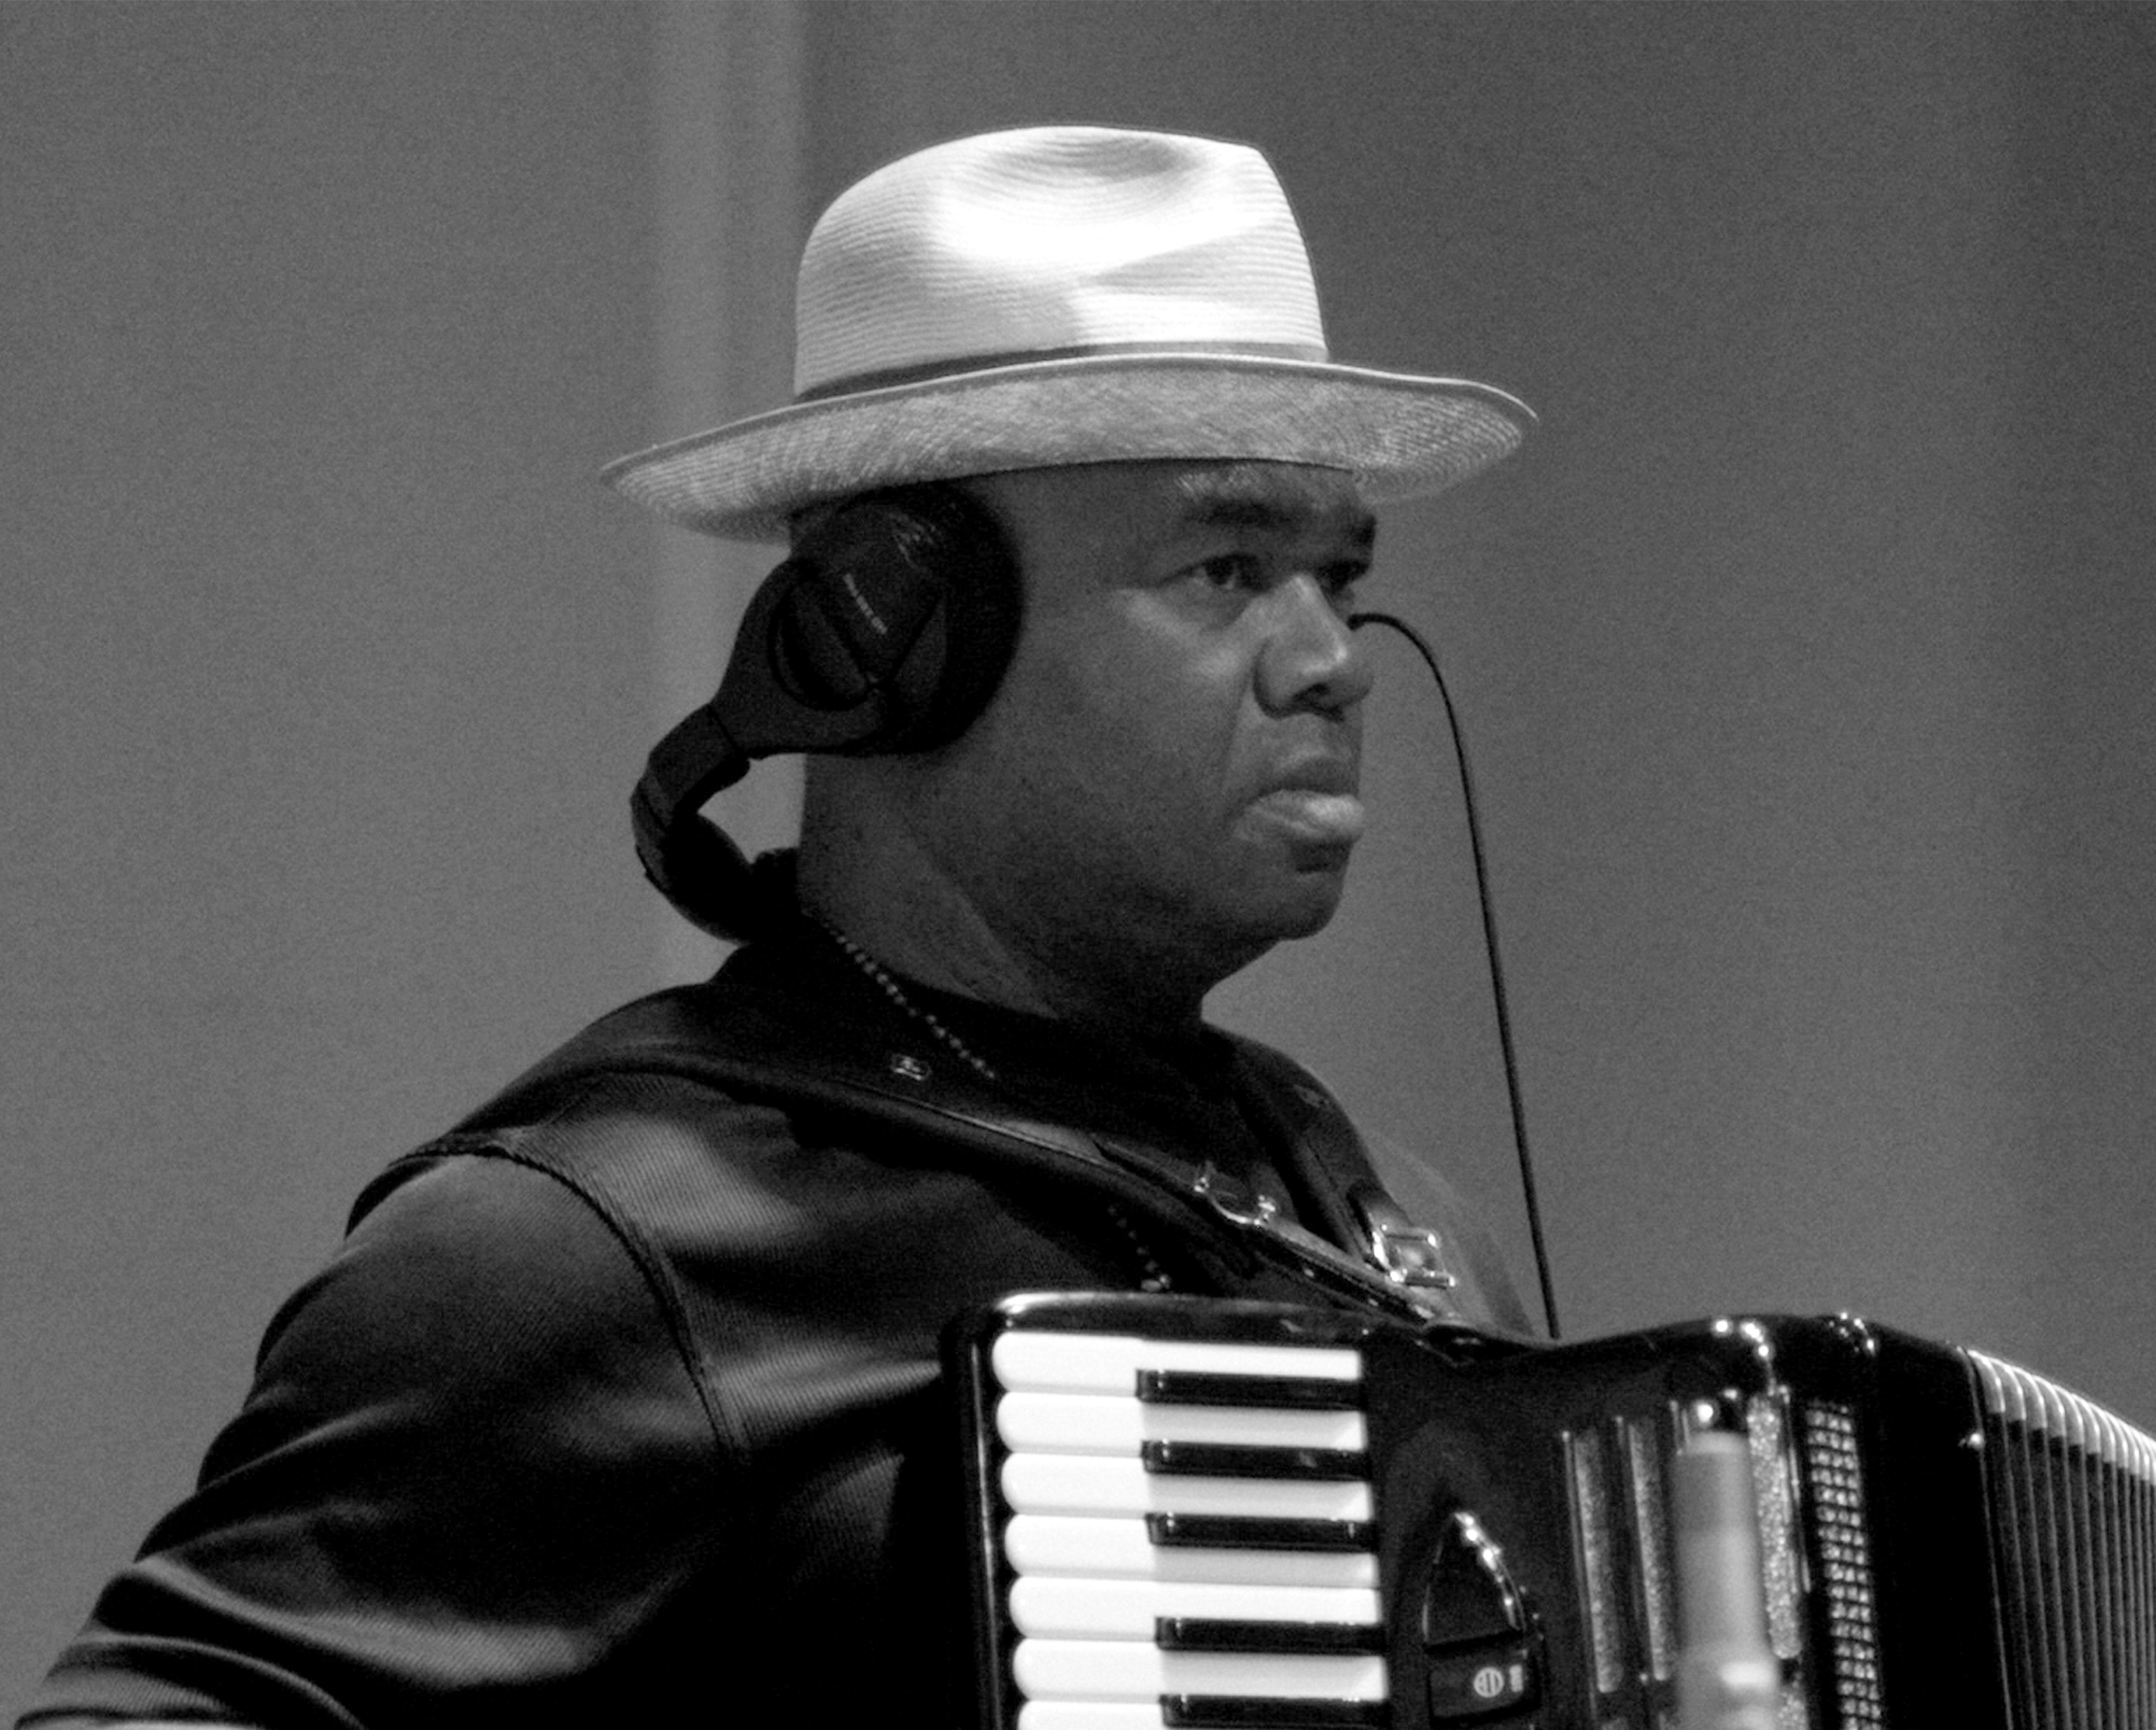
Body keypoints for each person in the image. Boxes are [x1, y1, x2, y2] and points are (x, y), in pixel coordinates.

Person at [20, 125, 1533, 1728]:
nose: (1334, 662)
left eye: (1339, 580)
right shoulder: (588, 1252)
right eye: (1227, 568)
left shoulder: (1392, 1232)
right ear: (895, 631)